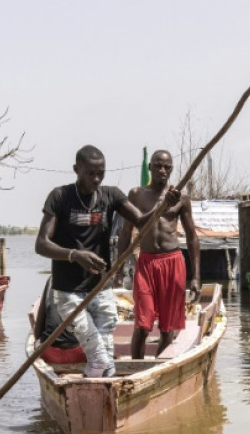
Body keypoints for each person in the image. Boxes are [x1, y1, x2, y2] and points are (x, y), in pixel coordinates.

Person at [36, 145, 179, 377]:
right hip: (69, 292)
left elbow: (142, 222)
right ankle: (93, 388)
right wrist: (75, 255)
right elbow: (41, 244)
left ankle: (99, 396)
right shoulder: (60, 197)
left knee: (106, 361)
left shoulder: (111, 195)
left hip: (100, 289)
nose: (96, 179)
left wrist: (163, 207)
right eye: (90, 173)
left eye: (100, 173)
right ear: (76, 170)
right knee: (100, 357)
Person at [117, 150, 199, 359]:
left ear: (171, 169)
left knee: (166, 328)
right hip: (146, 264)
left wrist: (196, 276)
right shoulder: (136, 194)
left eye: (167, 167)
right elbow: (126, 233)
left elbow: (192, 237)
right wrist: (118, 269)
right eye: (158, 165)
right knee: (142, 325)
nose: (162, 170)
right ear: (150, 167)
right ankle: (135, 369)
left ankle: (161, 368)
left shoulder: (182, 199)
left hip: (172, 263)